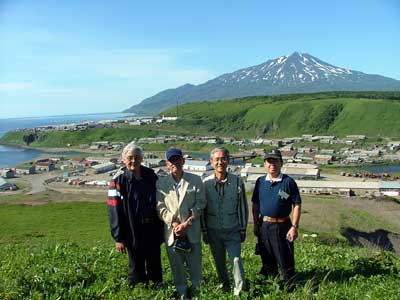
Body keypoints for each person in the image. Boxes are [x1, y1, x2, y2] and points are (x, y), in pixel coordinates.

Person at [107, 142, 163, 287]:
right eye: (130, 157)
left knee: (154, 260)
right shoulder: (118, 181)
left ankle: (157, 288)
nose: (133, 161)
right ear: (123, 159)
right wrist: (118, 237)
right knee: (136, 263)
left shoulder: (151, 176)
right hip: (131, 229)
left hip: (152, 227)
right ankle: (138, 289)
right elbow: (114, 211)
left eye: (137, 158)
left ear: (142, 159)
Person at [156, 147, 206, 300]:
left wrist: (187, 224)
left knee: (195, 268)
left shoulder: (195, 180)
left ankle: (197, 294)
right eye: (172, 160)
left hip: (191, 232)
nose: (175, 163)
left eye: (178, 159)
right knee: (177, 269)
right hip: (173, 233)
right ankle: (182, 294)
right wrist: (174, 223)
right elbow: (160, 207)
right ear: (167, 164)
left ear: (183, 161)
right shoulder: (161, 183)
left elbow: (201, 203)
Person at [202, 147, 248, 297]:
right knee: (219, 261)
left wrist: (242, 229)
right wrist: (204, 231)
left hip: (232, 228)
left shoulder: (237, 182)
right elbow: (202, 209)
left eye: (223, 159)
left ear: (228, 161)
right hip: (213, 230)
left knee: (235, 260)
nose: (220, 162)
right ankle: (225, 285)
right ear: (211, 162)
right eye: (217, 159)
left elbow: (242, 207)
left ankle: (239, 290)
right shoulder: (206, 184)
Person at [251, 149, 301, 288]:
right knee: (266, 256)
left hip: (283, 226)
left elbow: (297, 204)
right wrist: (255, 224)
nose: (272, 164)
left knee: (285, 258)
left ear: (281, 163)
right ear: (265, 164)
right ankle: (271, 284)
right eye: (269, 161)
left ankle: (290, 286)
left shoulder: (288, 182)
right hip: (264, 225)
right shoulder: (260, 182)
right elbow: (255, 203)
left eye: (276, 161)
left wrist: (294, 227)